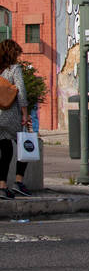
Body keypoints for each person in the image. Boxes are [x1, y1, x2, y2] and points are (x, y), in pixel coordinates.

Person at [0, 38, 31, 199]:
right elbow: (21, 92)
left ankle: (2, 186)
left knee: (5, 151)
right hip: (10, 115)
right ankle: (18, 182)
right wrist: (25, 114)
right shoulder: (14, 69)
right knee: (26, 147)